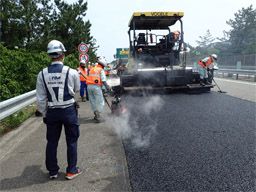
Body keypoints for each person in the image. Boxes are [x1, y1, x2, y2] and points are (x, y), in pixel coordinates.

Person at [36, 40, 82, 180]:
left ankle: (53, 171)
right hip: (69, 110)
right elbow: (77, 89)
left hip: (52, 112)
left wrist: (44, 113)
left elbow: (41, 99)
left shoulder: (42, 74)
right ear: (62, 54)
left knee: (52, 142)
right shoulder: (71, 72)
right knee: (72, 141)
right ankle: (71, 171)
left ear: (50, 55)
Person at [86, 57, 111, 123]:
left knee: (93, 101)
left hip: (89, 87)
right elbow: (103, 80)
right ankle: (99, 116)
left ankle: (96, 114)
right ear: (103, 65)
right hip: (96, 87)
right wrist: (107, 88)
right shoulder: (101, 70)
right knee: (100, 102)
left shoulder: (92, 68)